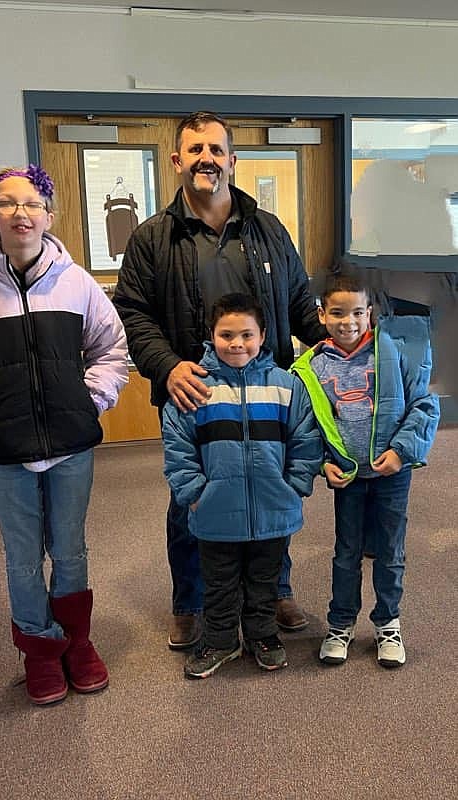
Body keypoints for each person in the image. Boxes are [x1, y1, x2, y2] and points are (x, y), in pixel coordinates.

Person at [113, 111, 325, 649]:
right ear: (178, 159)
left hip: (265, 395)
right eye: (195, 149)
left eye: (217, 148)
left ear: (232, 158)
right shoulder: (151, 238)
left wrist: (334, 346)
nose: (207, 158)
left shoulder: (268, 229)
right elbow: (133, 314)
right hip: (195, 395)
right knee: (192, 501)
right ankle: (192, 601)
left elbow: (300, 301)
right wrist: (167, 366)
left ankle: (272, 590)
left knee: (266, 490)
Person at [0, 164, 128, 705]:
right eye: (8, 204)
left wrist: (91, 399)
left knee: (71, 550)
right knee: (20, 556)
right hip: (4, 453)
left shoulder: (77, 283)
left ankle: (77, 643)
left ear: (49, 216)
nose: (21, 213)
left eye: (32, 204)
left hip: (70, 448)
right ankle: (40, 649)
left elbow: (112, 348)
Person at [162, 293, 322, 678]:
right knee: (218, 582)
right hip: (214, 510)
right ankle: (220, 640)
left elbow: (305, 439)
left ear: (263, 335)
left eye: (247, 335)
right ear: (211, 336)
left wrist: (295, 486)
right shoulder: (195, 389)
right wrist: (195, 494)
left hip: (273, 508)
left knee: (264, 579)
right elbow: (177, 446)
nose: (237, 343)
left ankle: (263, 635)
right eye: (227, 335)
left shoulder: (287, 386)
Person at [291, 270, 439, 668]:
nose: (348, 322)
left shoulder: (393, 352)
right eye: (338, 313)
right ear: (322, 314)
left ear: (370, 313)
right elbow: (307, 426)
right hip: (349, 477)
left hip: (392, 473)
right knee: (346, 552)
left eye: (357, 312)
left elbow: (423, 406)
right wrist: (322, 464)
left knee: (390, 551)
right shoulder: (311, 368)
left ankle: (388, 622)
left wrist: (401, 452)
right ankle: (341, 624)